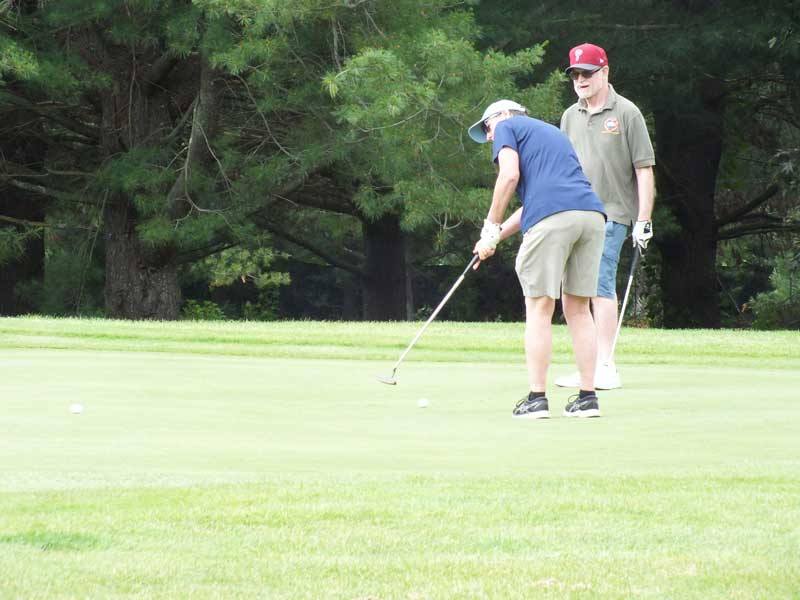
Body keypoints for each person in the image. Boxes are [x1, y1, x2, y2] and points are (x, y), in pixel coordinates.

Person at [467, 99, 606, 419]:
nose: (489, 136)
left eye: (487, 127)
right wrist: (494, 237)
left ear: (503, 115)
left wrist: (489, 225)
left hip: (554, 219)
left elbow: (508, 176)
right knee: (579, 308)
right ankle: (588, 398)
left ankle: (537, 399)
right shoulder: (552, 133)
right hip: (590, 216)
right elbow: (536, 203)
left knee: (540, 307)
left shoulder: (507, 126)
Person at [557, 42, 655, 390]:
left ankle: (606, 365)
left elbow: (644, 169)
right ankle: (588, 367)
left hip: (612, 212)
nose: (580, 80)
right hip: (574, 214)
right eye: (575, 75)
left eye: (587, 73)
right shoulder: (569, 116)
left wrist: (643, 219)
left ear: (605, 72)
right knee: (575, 290)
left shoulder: (627, 113)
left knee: (599, 284)